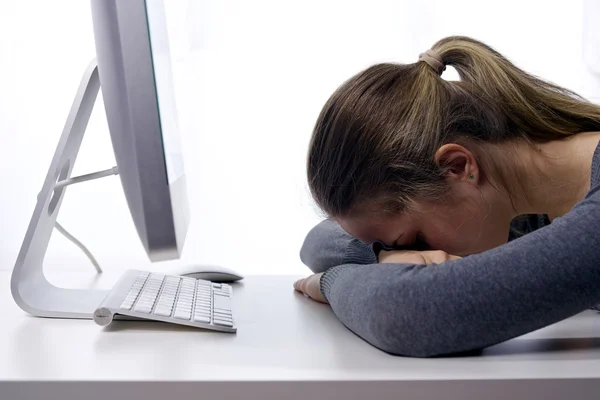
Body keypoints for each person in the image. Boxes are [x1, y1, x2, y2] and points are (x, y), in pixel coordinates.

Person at [293, 36, 600, 357]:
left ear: (457, 167)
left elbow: (409, 314)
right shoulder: (524, 213)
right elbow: (319, 241)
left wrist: (329, 282)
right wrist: (386, 255)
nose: (422, 254)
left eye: (414, 238)